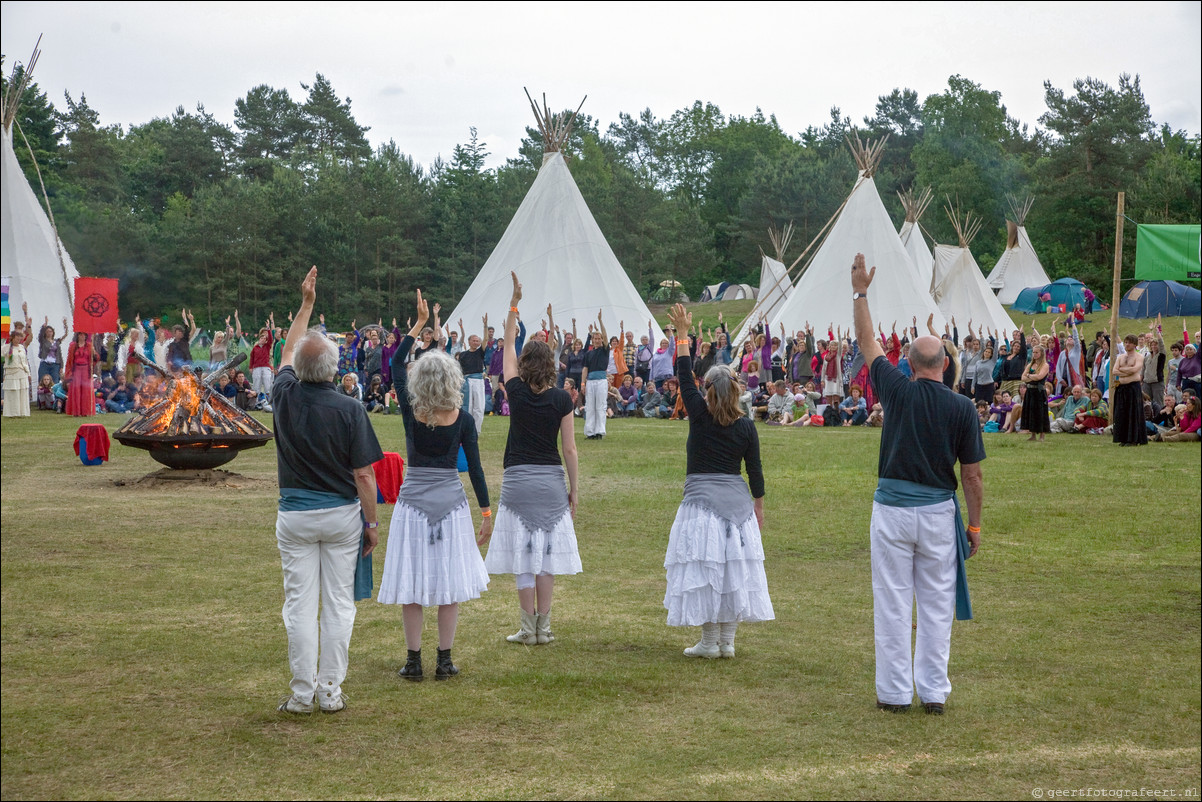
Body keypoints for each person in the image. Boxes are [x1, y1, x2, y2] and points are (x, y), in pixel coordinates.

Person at [851, 253, 984, 715]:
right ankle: (933, 693)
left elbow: (866, 341)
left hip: (891, 511)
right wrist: (976, 526)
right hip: (935, 513)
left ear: (907, 364)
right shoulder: (963, 408)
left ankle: (893, 694)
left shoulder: (897, 388)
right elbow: (972, 474)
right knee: (935, 604)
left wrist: (861, 292)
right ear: (945, 365)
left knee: (891, 603)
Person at [272, 266, 383, 715]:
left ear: (298, 367)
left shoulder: (283, 393)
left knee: (299, 605)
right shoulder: (350, 408)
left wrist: (306, 306)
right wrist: (372, 523)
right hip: (340, 515)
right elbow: (365, 476)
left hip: (296, 514)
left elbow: (285, 349)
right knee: (338, 605)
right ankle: (330, 692)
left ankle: (302, 695)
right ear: (336, 369)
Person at [380, 290, 492, 682]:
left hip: (411, 504)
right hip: (451, 503)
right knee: (449, 586)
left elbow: (395, 363)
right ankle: (444, 660)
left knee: (412, 584)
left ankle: (414, 662)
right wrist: (486, 511)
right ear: (453, 380)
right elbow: (475, 468)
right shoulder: (461, 419)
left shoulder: (412, 414)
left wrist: (416, 324)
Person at [662, 303, 773, 659]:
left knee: (706, 571)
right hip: (737, 507)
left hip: (701, 505)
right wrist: (757, 506)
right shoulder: (746, 425)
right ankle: (726, 642)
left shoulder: (698, 414)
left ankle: (712, 642)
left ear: (708, 391)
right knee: (731, 571)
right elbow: (754, 470)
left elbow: (682, 374)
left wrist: (682, 336)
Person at [483, 272, 581, 645]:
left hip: (519, 480)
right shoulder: (561, 399)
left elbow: (508, 341)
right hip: (551, 479)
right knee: (546, 558)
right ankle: (545, 626)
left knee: (525, 558)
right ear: (552, 365)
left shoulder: (516, 391)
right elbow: (569, 449)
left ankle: (527, 628)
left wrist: (514, 303)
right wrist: (574, 490)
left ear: (525, 366)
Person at [1112, 335, 1148, 446]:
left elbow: (1135, 369)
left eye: (1129, 343)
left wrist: (1121, 370)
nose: (1127, 344)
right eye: (1126, 342)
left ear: (1134, 344)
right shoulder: (1120, 357)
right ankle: (1123, 438)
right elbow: (1114, 371)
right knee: (1121, 413)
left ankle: (1133, 439)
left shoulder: (1139, 356)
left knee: (1133, 413)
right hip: (1121, 387)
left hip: (1133, 387)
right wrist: (1127, 371)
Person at [581, 312, 610, 440]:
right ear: (592, 340)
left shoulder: (604, 350)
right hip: (590, 381)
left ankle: (599, 431)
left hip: (601, 380)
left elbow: (605, 335)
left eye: (599, 338)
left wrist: (600, 321)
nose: (597, 340)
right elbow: (585, 368)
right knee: (590, 406)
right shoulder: (589, 353)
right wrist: (583, 383)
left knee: (600, 406)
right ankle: (590, 431)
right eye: (595, 339)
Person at [3, 305, 34, 417]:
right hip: (11, 369)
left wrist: (26, 315)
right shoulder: (7, 344)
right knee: (12, 391)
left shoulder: (22, 344)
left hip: (22, 368)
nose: (19, 337)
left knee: (22, 391)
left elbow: (30, 336)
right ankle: (12, 412)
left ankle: (23, 411)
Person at [1021, 344, 1051, 442]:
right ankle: (1033, 434)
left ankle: (1042, 435)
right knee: (1031, 412)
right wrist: (1032, 376)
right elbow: (1023, 377)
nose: (1034, 354)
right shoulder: (1030, 364)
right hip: (1030, 391)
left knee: (1040, 412)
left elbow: (1040, 377)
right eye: (1033, 352)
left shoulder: (1045, 365)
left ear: (1041, 353)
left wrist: (1029, 376)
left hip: (1039, 392)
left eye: (1036, 352)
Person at [65, 331, 98, 417]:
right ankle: (76, 411)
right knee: (76, 390)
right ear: (78, 335)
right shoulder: (73, 346)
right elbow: (69, 360)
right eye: (80, 334)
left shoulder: (90, 346)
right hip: (76, 370)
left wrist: (94, 353)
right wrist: (69, 373)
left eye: (83, 334)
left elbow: (95, 359)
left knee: (86, 390)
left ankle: (85, 411)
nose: (82, 336)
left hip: (86, 370)